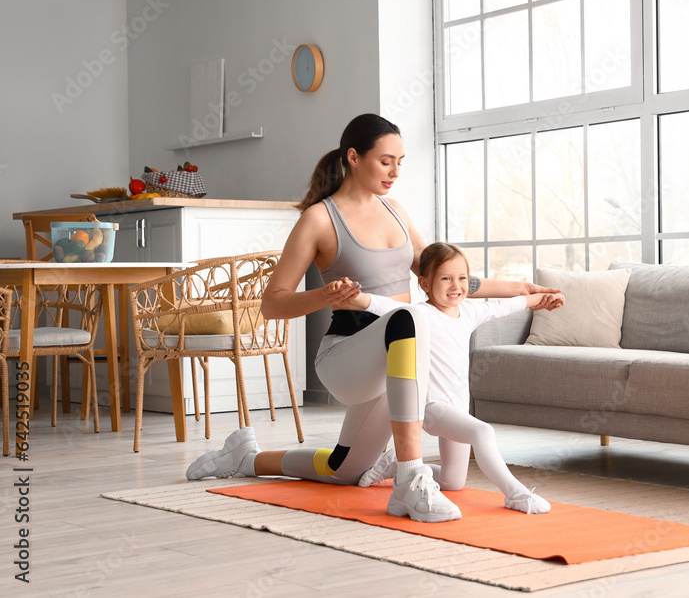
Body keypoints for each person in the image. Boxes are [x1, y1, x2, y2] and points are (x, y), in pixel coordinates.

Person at [184, 113, 558, 524]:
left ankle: (246, 458)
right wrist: (325, 294)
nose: (395, 171)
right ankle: (409, 480)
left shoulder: (394, 210)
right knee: (412, 318)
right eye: (385, 161)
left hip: (398, 366)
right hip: (348, 357)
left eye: (400, 161)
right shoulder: (320, 218)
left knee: (345, 469)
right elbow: (272, 304)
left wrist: (522, 289)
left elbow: (443, 278)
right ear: (354, 157)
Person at [352, 242, 564, 514]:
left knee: (453, 482)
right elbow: (382, 304)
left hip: (457, 407)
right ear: (425, 284)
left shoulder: (469, 312)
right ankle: (515, 493)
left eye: (462, 278)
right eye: (446, 278)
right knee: (483, 431)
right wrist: (356, 299)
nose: (456, 286)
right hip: (431, 407)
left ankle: (396, 465)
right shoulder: (419, 314)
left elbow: (505, 306)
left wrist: (543, 299)